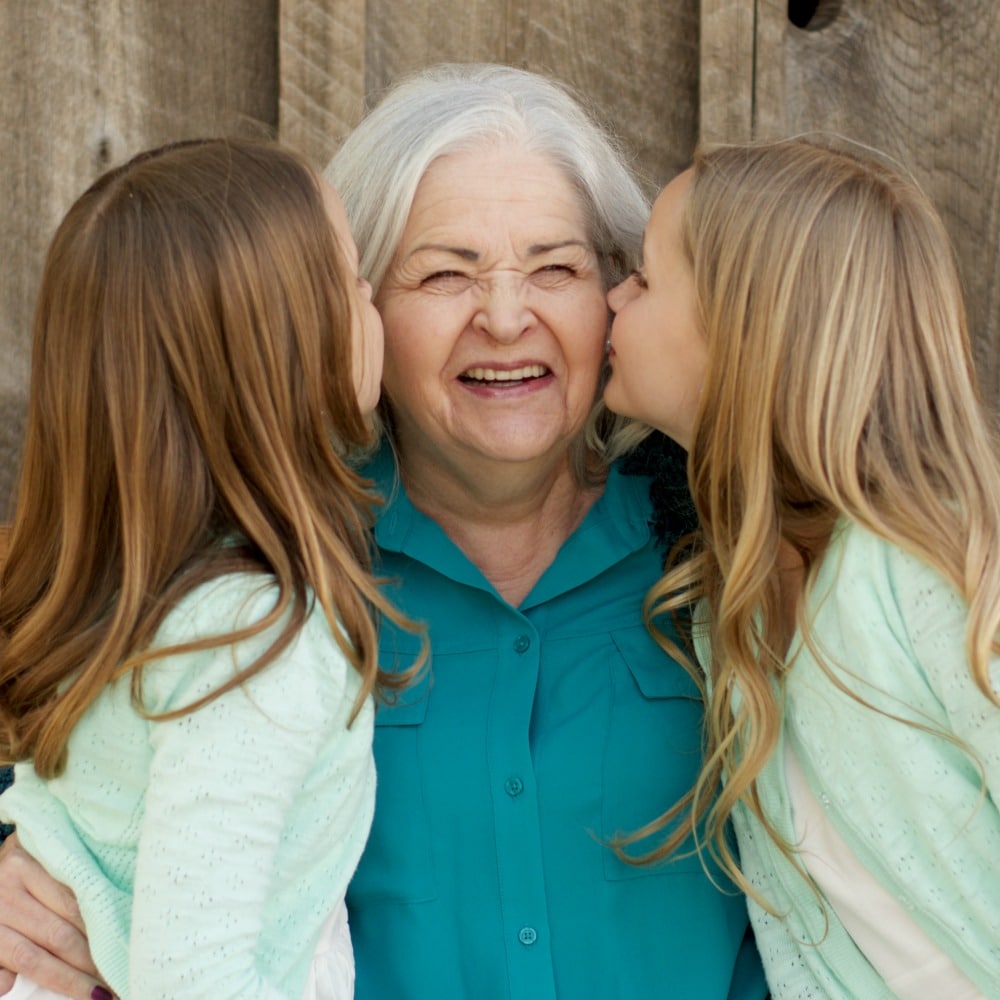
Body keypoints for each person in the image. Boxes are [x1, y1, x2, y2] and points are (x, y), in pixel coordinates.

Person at [0, 65, 767, 999]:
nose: (506, 316)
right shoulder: (266, 567)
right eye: (446, 273)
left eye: (556, 267)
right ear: (344, 311)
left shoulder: (733, 540)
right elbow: (84, 758)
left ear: (622, 293)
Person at [0, 136, 425, 998]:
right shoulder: (251, 639)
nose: (372, 296)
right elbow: (192, 977)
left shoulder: (137, 594)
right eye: (349, 280)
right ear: (280, 354)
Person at [603, 136, 1000, 998]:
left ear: (739, 333)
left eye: (642, 278)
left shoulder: (935, 577)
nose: (611, 299)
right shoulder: (728, 612)